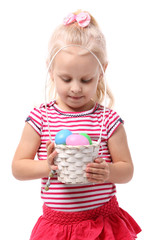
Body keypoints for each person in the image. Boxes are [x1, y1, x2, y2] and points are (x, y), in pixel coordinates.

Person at [12, 10, 141, 240]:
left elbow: (127, 170)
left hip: (102, 223)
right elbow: (18, 168)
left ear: (101, 73)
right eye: (66, 78)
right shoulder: (40, 118)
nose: (75, 88)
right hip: (57, 227)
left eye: (86, 79)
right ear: (51, 71)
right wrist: (47, 167)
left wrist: (109, 171)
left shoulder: (108, 120)